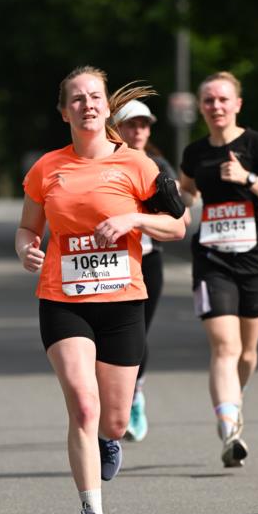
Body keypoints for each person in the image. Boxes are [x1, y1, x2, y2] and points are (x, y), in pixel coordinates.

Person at [16, 67, 185, 514]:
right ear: (64, 110)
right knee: (83, 406)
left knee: (113, 421)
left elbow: (176, 224)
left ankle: (109, 441)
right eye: (76, 98)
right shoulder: (48, 168)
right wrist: (26, 249)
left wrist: (134, 217)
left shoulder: (139, 165)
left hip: (123, 302)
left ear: (107, 106)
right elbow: (27, 230)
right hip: (63, 300)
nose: (87, 104)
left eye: (94, 97)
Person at [179, 71, 258, 467]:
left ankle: (234, 402)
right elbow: (185, 191)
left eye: (223, 100)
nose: (216, 106)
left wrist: (247, 177)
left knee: (247, 353)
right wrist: (171, 199)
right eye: (208, 100)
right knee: (224, 347)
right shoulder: (195, 153)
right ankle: (229, 428)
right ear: (201, 107)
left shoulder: (256, 145)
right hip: (212, 259)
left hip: (254, 259)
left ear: (237, 104)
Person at [113, 98, 180, 441]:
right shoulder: (103, 162)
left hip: (146, 260)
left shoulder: (158, 165)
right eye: (131, 124)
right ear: (117, 128)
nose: (138, 130)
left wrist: (142, 220)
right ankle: (110, 402)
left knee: (137, 333)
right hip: (109, 262)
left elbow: (179, 216)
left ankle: (134, 396)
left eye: (144, 124)